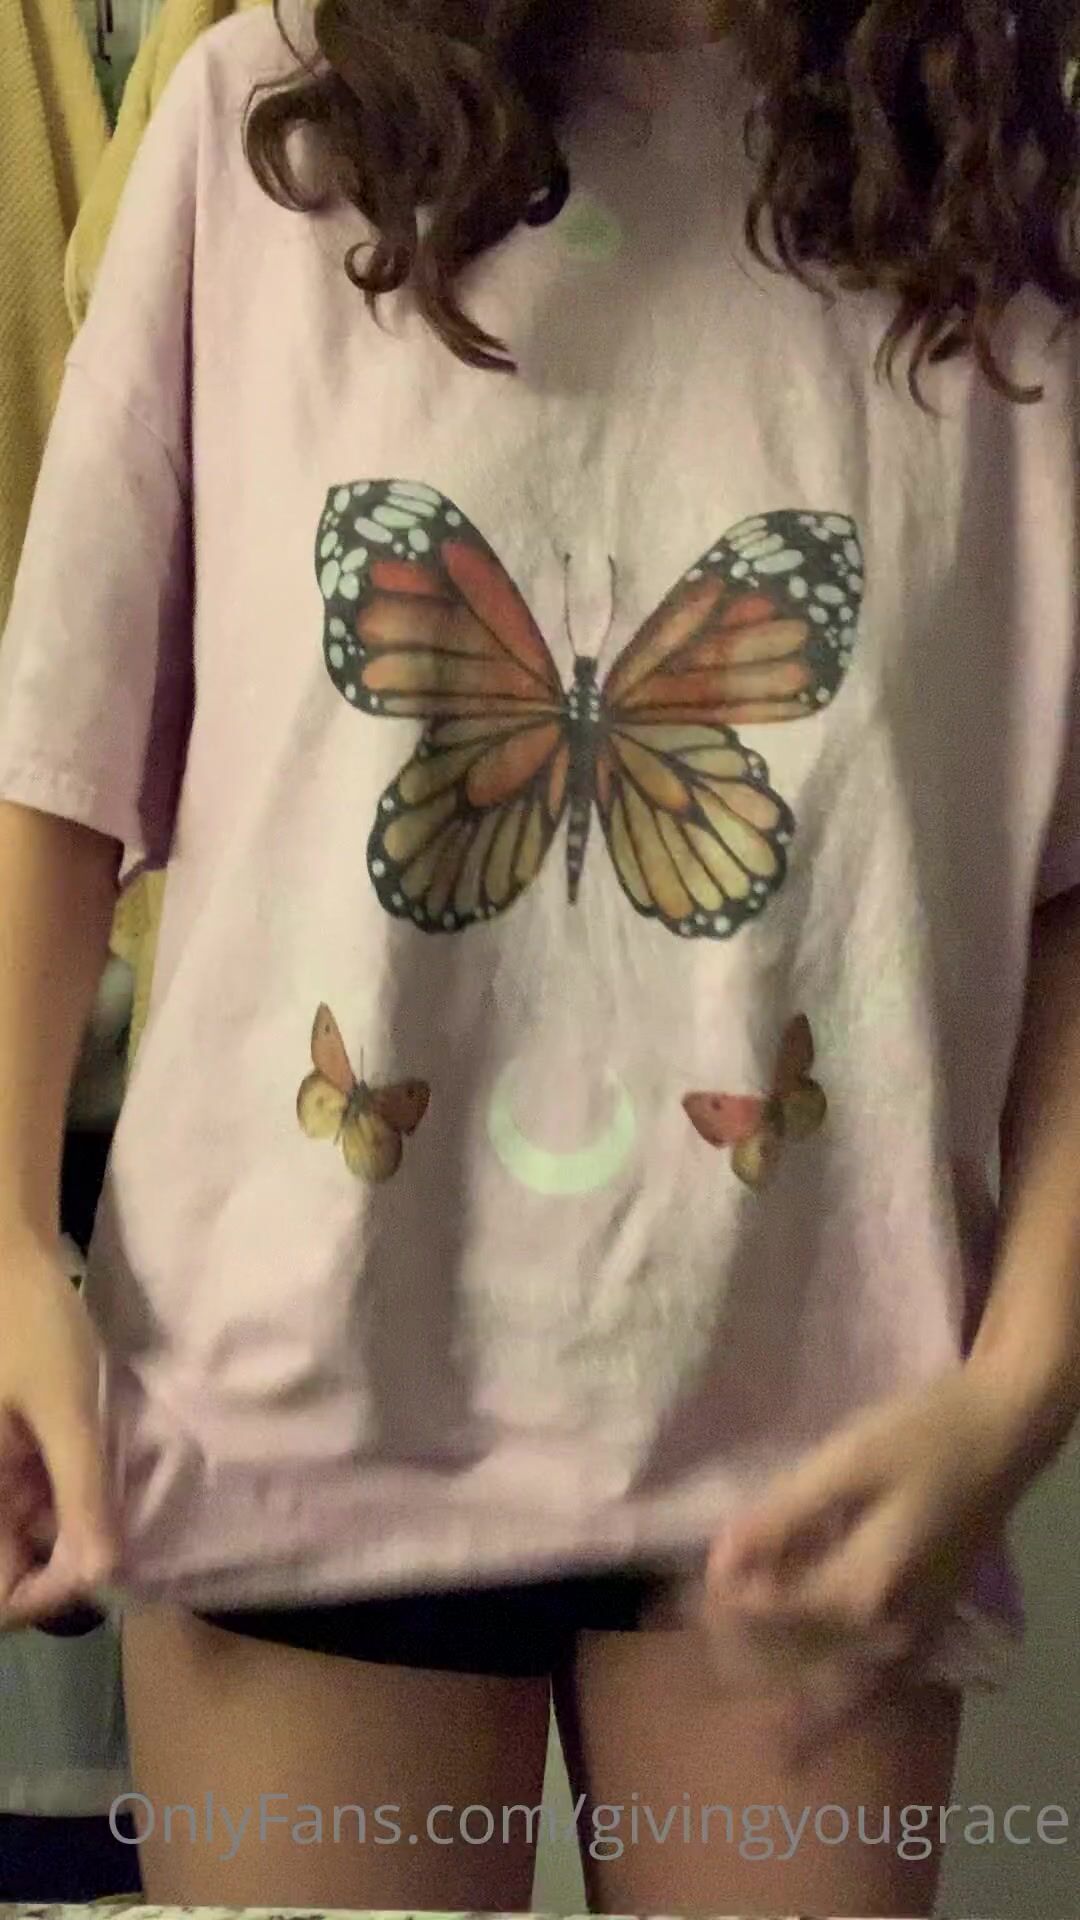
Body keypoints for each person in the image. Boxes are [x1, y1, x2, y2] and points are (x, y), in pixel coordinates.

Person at [2, 0, 1080, 1910]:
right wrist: (6, 1236)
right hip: (296, 1396)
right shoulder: (268, 123)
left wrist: (1025, 1380)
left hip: (824, 1449)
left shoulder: (1009, 192)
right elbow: (53, 760)